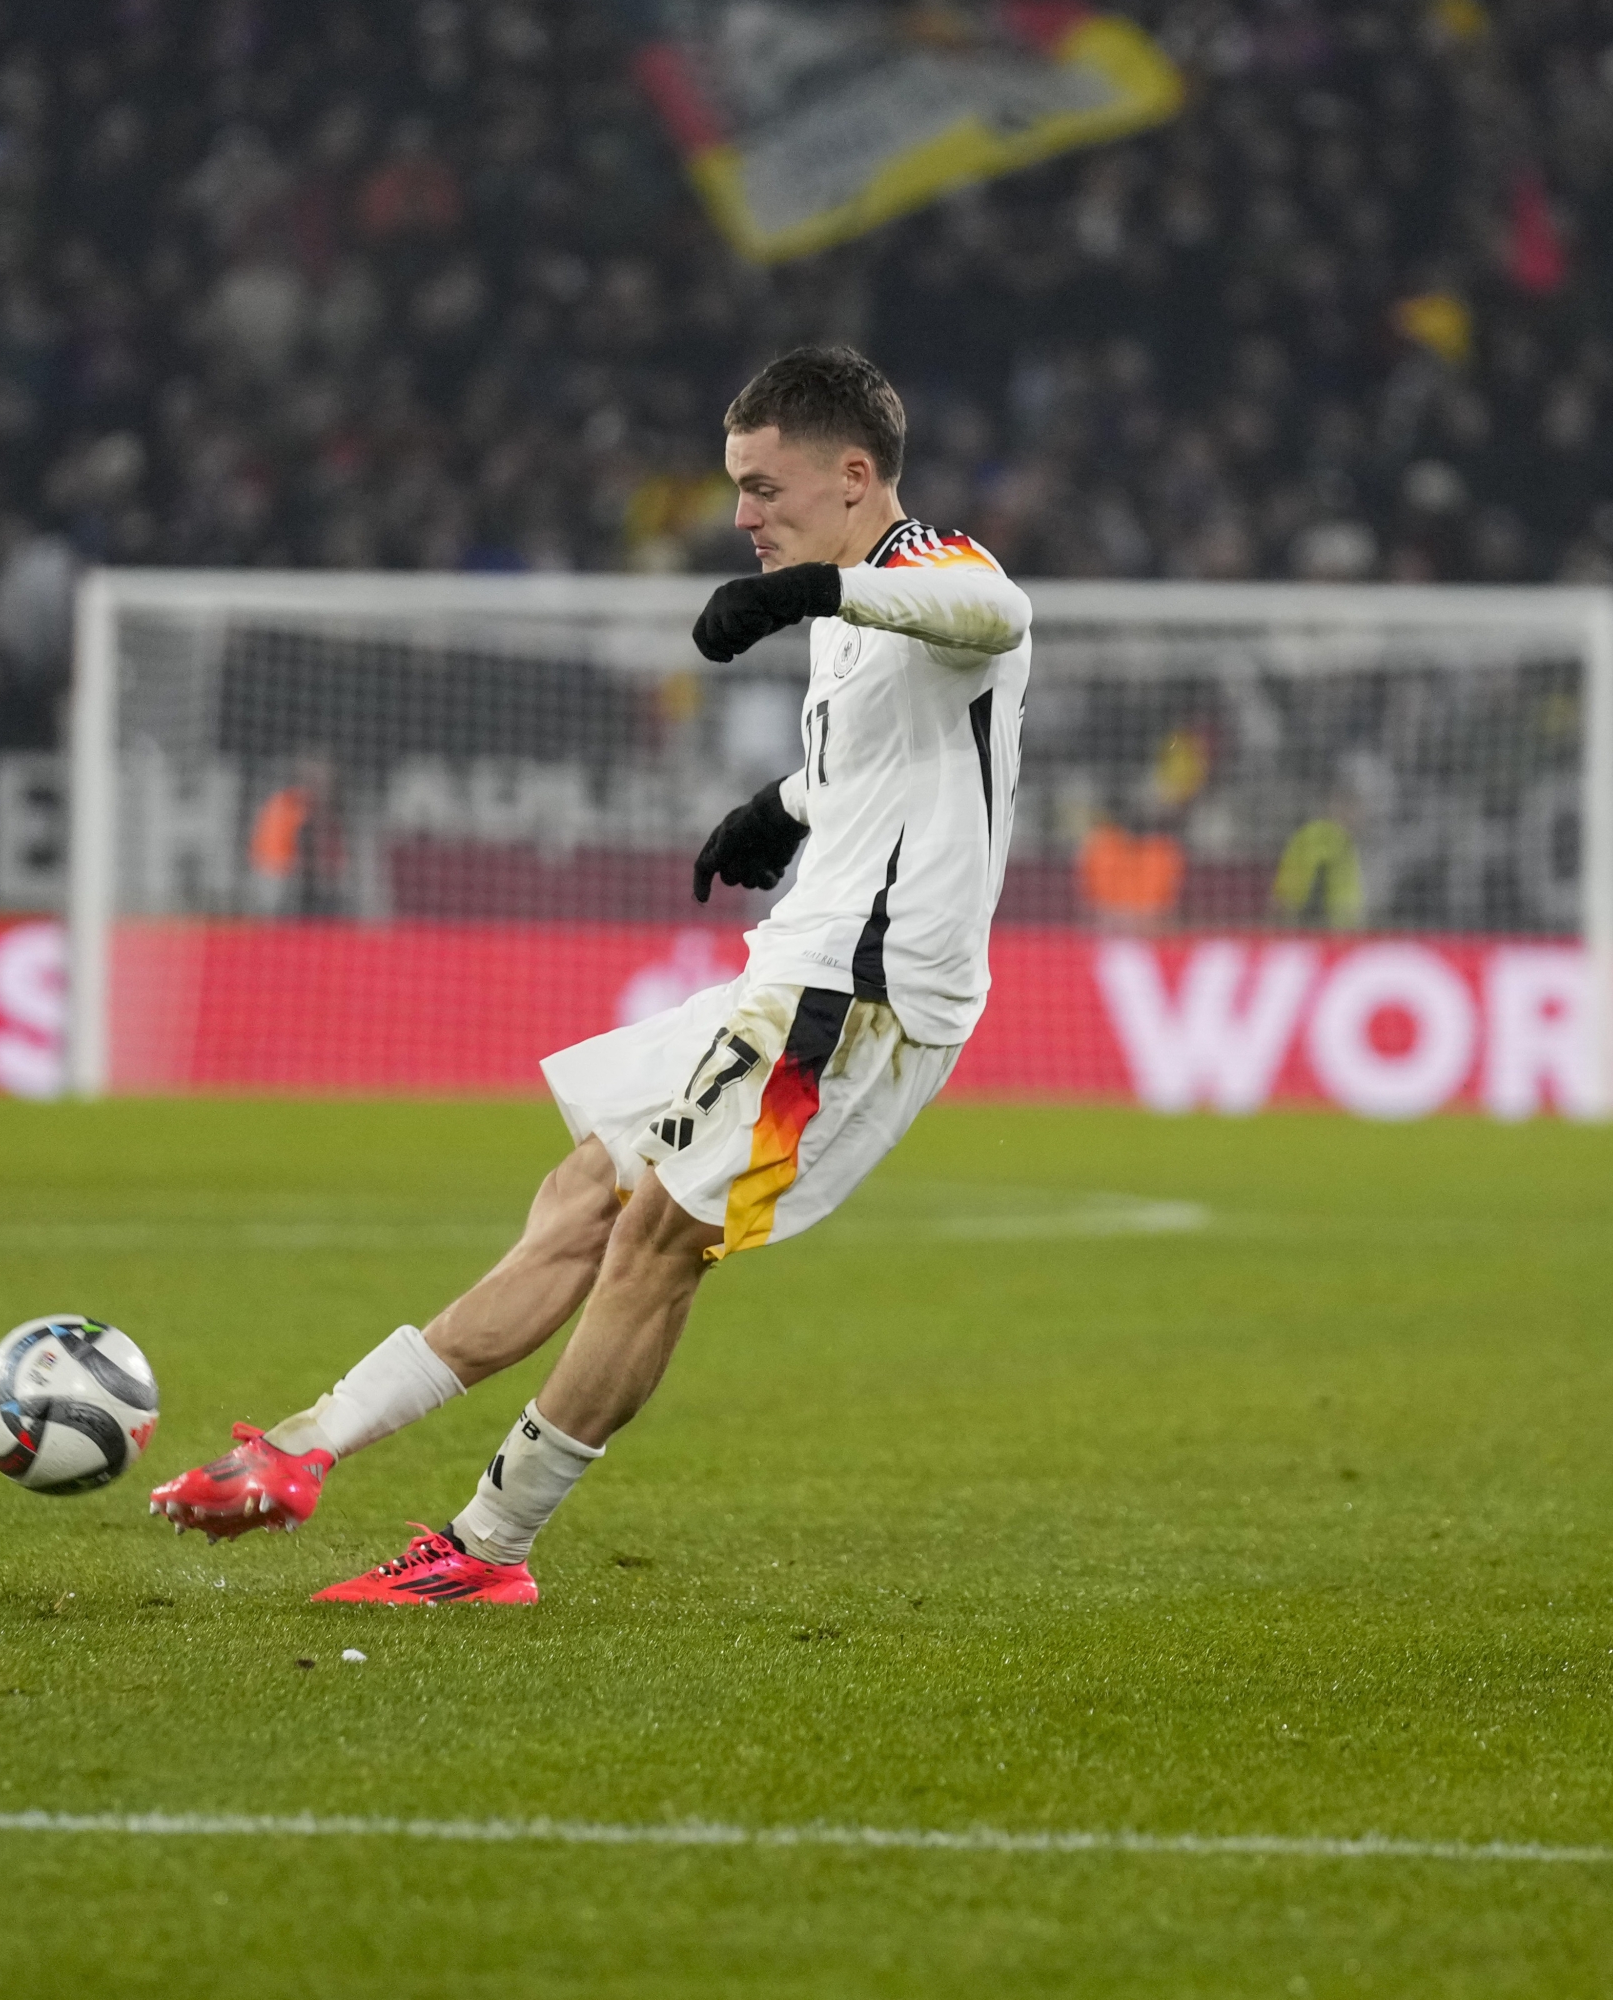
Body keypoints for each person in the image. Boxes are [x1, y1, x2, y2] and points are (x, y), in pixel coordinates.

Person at [149, 346, 1033, 1604]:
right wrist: (779, 804)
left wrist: (812, 595)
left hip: (861, 1000)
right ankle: (299, 1448)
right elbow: (882, 764)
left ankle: (485, 1549)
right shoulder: (851, 608)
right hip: (791, 970)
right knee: (582, 1196)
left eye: (763, 486)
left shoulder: (932, 573)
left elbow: (996, 615)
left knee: (664, 1235)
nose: (740, 515)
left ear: (852, 477)